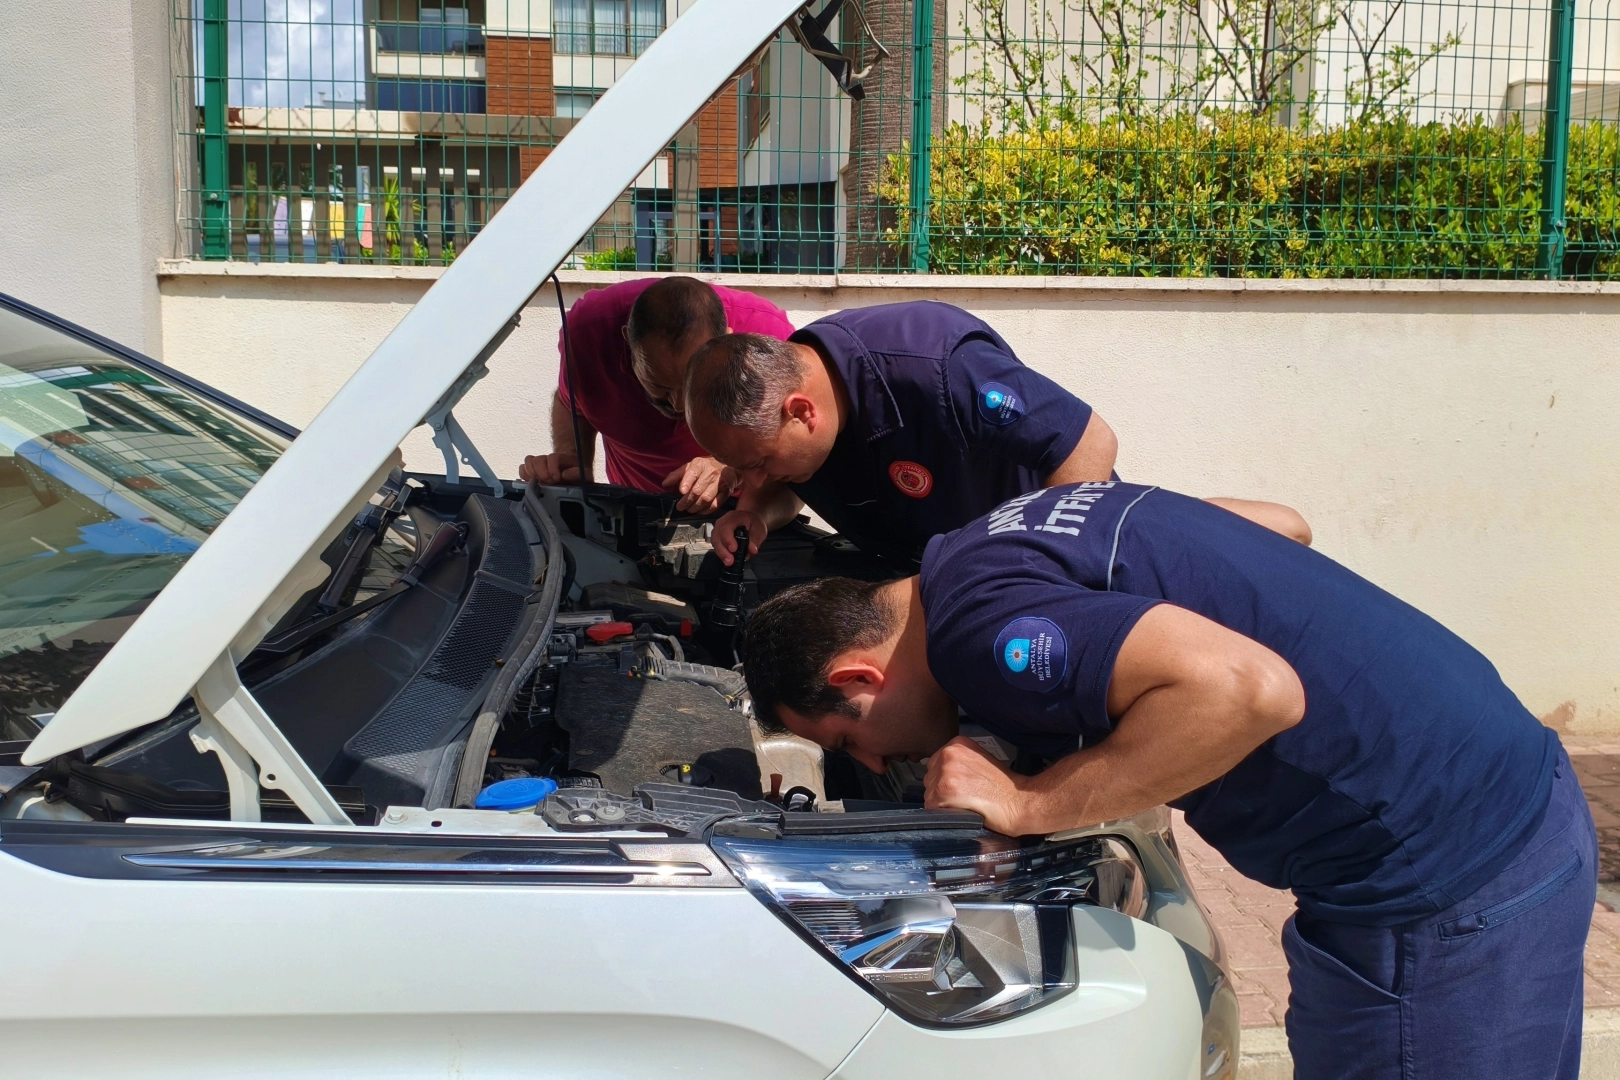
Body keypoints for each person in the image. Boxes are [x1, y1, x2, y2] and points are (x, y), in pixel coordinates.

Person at [740, 481, 1595, 1079]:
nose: (875, 764)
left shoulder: (972, 634)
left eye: (848, 740)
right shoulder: (990, 540)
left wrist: (1032, 804)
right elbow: (1280, 525)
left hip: (1444, 883)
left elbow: (1249, 691)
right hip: (1522, 796)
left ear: (858, 677)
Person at [683, 300, 1309, 565]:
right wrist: (758, 513)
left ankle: (1182, 524)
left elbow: (1087, 443)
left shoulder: (934, 367)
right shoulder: (796, 398)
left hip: (1044, 536)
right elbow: (793, 484)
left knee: (1159, 556)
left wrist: (1045, 574)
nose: (750, 477)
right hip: (938, 562)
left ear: (802, 411)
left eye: (756, 463)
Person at [517, 276, 793, 513]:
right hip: (634, 510)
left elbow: (798, 454)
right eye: (659, 385)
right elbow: (572, 401)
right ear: (628, 342)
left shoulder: (769, 338)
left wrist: (733, 465)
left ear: (728, 340)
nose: (679, 405)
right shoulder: (588, 332)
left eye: (693, 385)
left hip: (743, 511)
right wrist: (571, 457)